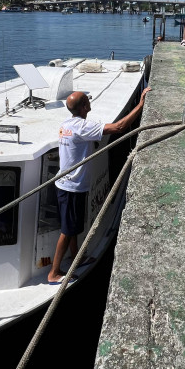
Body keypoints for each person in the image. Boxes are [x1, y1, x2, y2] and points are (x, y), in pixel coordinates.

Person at [48, 87, 152, 284]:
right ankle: (54, 272)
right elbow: (119, 127)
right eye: (87, 101)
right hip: (71, 188)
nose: (89, 102)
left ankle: (76, 258)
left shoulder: (66, 124)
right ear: (84, 106)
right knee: (67, 231)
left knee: (73, 227)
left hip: (66, 185)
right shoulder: (82, 127)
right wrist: (141, 104)